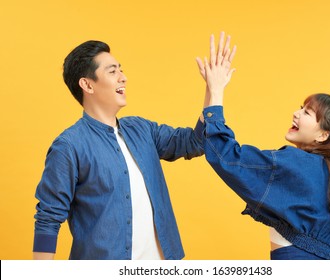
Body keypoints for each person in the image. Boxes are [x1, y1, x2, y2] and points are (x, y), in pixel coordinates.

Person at [196, 32, 330, 260]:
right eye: (300, 108)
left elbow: (226, 156)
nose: (296, 114)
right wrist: (211, 91)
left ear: (324, 135)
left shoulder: (297, 165)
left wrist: (216, 90)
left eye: (307, 112)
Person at [33, 40, 204, 260]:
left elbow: (194, 142)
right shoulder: (69, 146)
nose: (123, 77)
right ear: (88, 85)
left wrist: (214, 91)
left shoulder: (142, 130)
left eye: (121, 69)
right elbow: (48, 217)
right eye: (113, 71)